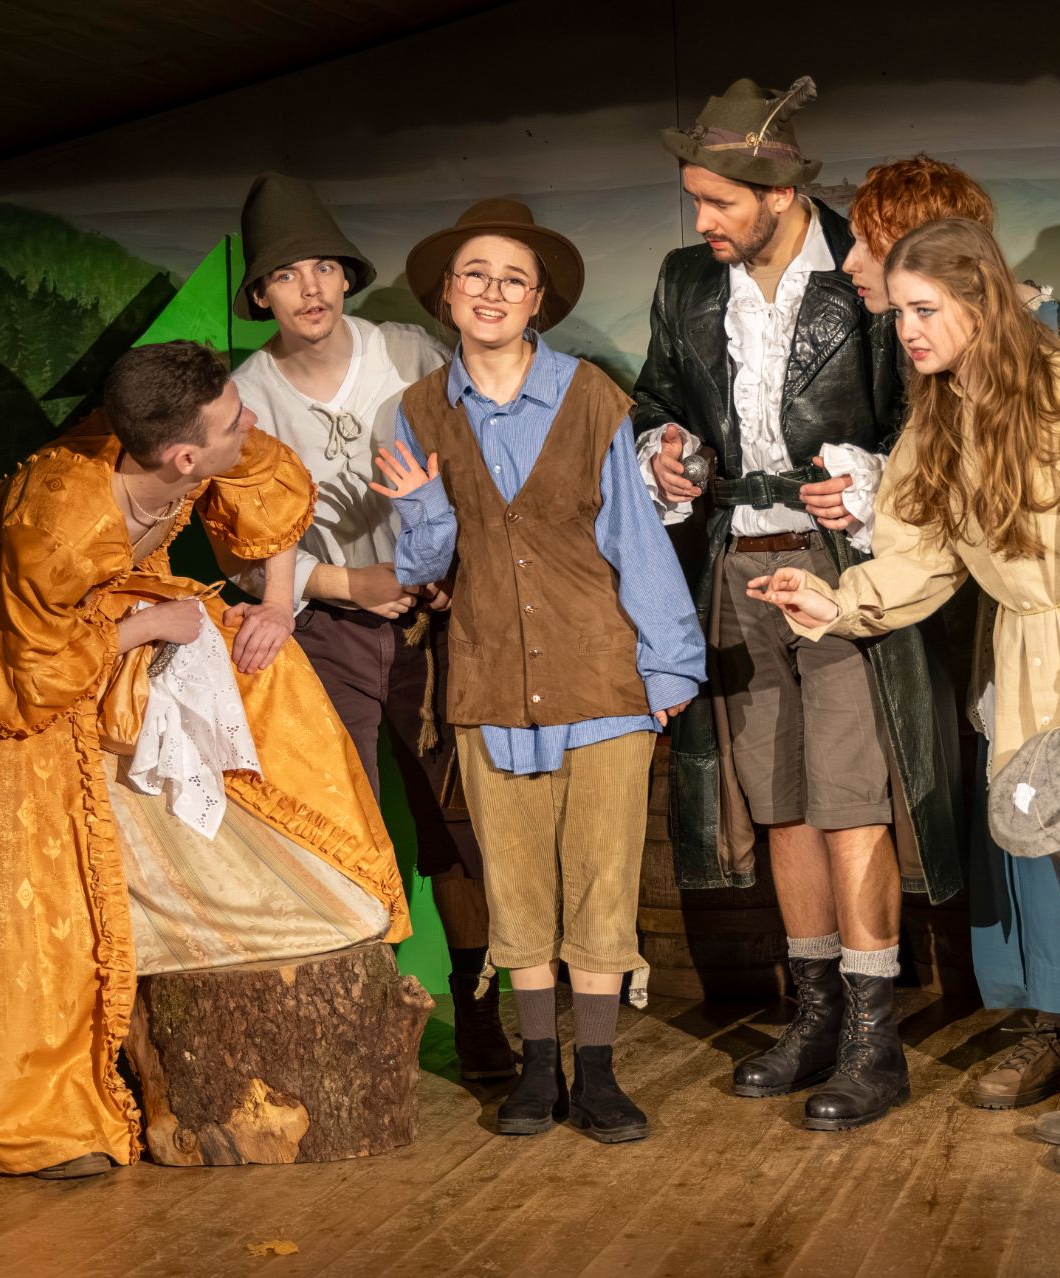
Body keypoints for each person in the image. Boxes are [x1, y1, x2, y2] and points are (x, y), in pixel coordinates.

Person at [753, 217, 1060, 1175]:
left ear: (980, 304)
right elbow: (919, 555)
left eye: (925, 310)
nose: (907, 331)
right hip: (1037, 676)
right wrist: (837, 601)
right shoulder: (943, 415)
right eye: (900, 314)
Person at [0, 340, 410, 1178]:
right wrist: (148, 627)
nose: (251, 422)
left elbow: (268, 481)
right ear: (183, 458)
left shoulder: (186, 432)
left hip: (105, 627)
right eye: (233, 421)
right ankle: (29, 1114)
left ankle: (254, 901)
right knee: (24, 868)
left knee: (261, 673)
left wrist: (276, 607)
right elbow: (23, 681)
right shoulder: (60, 519)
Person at [635, 77, 957, 1131]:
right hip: (739, 562)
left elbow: (925, 408)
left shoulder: (860, 272)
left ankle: (872, 1033)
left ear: (778, 194)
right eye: (695, 200)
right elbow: (656, 397)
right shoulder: (687, 282)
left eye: (718, 202)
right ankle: (812, 1013)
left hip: (839, 566)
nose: (701, 221)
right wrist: (662, 448)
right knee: (779, 801)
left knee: (850, 799)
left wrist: (872, 482)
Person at [371, 199, 705, 1143]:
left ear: (538, 302)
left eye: (512, 279)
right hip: (488, 679)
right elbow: (424, 566)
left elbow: (635, 536)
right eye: (475, 275)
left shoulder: (592, 396)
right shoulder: (418, 412)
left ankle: (596, 1073)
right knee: (514, 881)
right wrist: (425, 508)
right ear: (447, 293)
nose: (492, 292)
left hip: (601, 675)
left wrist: (670, 667)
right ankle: (535, 1069)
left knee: (602, 876)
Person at [227, 173, 510, 1081]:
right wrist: (351, 581)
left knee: (456, 822)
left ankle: (479, 1013)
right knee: (335, 820)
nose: (308, 289)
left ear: (347, 276)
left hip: (435, 623)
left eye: (322, 267)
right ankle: (356, 1021)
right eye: (284, 275)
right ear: (261, 295)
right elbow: (242, 552)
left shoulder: (407, 353)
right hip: (327, 633)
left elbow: (475, 471)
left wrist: (441, 576)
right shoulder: (248, 397)